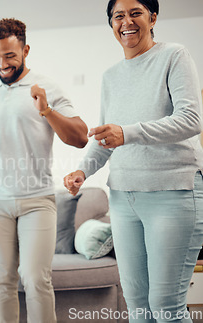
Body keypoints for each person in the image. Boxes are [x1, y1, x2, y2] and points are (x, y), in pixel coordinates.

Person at [64, 0, 203, 321]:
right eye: (118, 16)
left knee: (166, 305)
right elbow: (106, 139)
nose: (126, 22)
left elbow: (191, 119)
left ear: (153, 17)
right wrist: (82, 171)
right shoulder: (111, 76)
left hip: (173, 193)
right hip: (124, 200)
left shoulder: (174, 55)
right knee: (137, 304)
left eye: (135, 13)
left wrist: (127, 133)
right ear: (111, 23)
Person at [0, 18, 88, 323]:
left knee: (35, 278)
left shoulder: (46, 88)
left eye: (10, 56)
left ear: (26, 50)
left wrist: (46, 109)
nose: (2, 64)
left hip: (37, 199)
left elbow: (81, 137)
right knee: (2, 280)